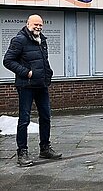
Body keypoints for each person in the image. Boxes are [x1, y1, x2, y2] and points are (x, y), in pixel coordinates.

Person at [3, 14, 62, 167]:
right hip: (26, 86)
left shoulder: (42, 40)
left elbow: (43, 61)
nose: (38, 27)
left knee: (46, 117)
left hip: (41, 85)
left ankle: (45, 148)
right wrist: (26, 72)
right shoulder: (19, 40)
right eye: (35, 24)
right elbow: (8, 61)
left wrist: (48, 73)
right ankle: (22, 152)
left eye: (40, 25)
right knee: (24, 120)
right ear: (28, 24)